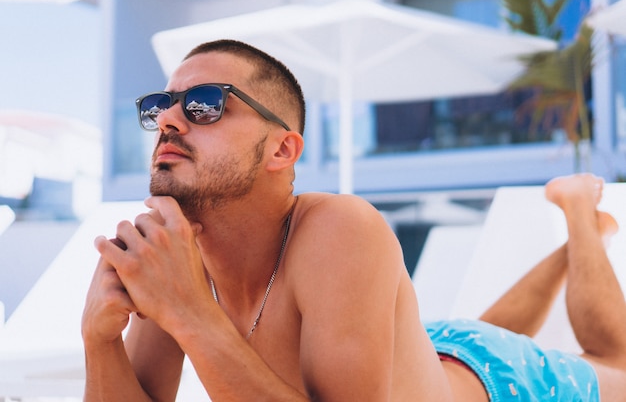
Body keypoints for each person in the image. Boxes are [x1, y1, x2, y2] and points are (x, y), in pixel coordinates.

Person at [81, 39, 626, 401]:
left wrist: (188, 312)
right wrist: (98, 340)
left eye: (205, 102)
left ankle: (581, 217)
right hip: (435, 350)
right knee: (482, 331)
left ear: (282, 150)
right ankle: (577, 239)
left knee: (615, 362)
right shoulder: (173, 252)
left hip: (508, 383)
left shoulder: (340, 227)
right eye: (159, 105)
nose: (170, 119)